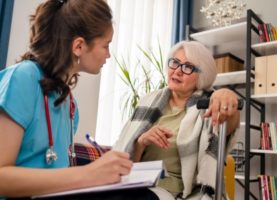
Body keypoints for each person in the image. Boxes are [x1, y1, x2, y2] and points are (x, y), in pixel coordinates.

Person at [0, 0, 158, 199]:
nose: (108, 55)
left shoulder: (67, 101)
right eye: (105, 45)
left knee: (142, 196)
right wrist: (88, 174)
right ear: (79, 46)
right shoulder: (23, 78)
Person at [113, 40, 240, 199]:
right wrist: (141, 142)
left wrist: (227, 97)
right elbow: (126, 163)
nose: (178, 71)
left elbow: (228, 125)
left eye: (188, 67)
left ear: (201, 76)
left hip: (180, 193)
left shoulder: (208, 106)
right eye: (175, 63)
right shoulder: (148, 101)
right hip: (139, 184)